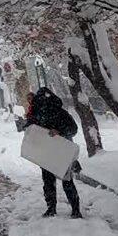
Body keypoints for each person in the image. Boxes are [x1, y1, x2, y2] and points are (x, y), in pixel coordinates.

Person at [26, 86, 82, 218]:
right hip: (48, 152)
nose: (43, 104)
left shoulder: (57, 113)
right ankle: (56, 209)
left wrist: (59, 131)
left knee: (61, 181)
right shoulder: (39, 113)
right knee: (52, 181)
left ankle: (71, 209)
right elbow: (29, 129)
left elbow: (73, 129)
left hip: (60, 151)